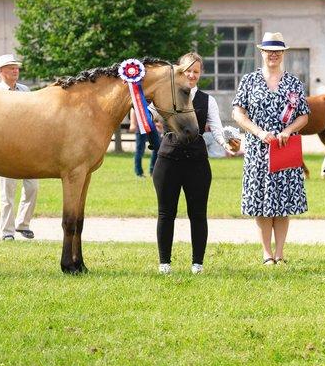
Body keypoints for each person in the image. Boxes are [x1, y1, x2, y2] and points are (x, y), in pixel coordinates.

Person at [152, 52, 234, 275]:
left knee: (198, 214)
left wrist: (227, 145)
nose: (191, 75)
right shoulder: (166, 95)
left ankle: (197, 264)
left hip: (197, 163)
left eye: (196, 71)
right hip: (168, 160)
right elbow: (147, 116)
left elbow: (217, 129)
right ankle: (164, 264)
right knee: (165, 213)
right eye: (187, 70)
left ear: (201, 73)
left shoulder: (208, 100)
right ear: (178, 71)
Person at [231, 32, 310, 265]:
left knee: (283, 203)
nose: (273, 54)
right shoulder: (249, 80)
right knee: (261, 203)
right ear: (262, 52)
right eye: (269, 51)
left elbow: (304, 116)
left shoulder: (294, 83)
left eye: (277, 51)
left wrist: (288, 130)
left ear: (283, 53)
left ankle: (280, 254)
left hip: (285, 148)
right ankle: (267, 254)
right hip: (258, 150)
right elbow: (238, 113)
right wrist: (258, 132)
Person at [0, 53, 37, 241]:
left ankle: (23, 224)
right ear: (1, 71)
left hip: (28, 147)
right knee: (7, 191)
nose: (15, 70)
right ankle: (7, 232)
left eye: (16, 67)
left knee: (33, 187)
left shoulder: (25, 90)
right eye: (11, 67)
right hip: (5, 148)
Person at [129, 112, 162, 177]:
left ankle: (153, 171)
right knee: (140, 150)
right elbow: (133, 109)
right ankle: (139, 173)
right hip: (140, 127)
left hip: (152, 126)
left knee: (157, 147)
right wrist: (132, 123)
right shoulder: (137, 104)